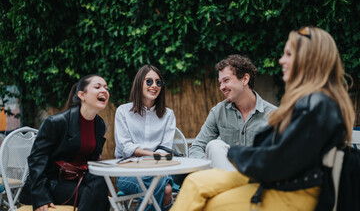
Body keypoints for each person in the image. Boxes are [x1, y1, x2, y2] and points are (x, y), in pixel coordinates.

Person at [170, 26, 355, 210]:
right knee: (197, 180)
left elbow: (279, 159)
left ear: (310, 59)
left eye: (289, 54)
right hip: (279, 182)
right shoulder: (316, 102)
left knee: (204, 196)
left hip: (288, 191)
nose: (281, 60)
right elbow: (286, 154)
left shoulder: (315, 105)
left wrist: (233, 153)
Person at [25, 74, 111, 211]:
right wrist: (41, 196)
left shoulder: (100, 125)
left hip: (79, 180)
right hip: (50, 183)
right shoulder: (56, 122)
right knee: (99, 198)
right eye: (97, 87)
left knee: (99, 182)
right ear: (82, 95)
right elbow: (37, 159)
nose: (104, 90)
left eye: (106, 88)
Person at [189, 54, 277, 171]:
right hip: (226, 176)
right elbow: (196, 147)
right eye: (220, 82)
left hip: (258, 176)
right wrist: (209, 169)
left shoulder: (274, 115)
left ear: (245, 79)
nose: (221, 87)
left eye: (226, 80)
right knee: (214, 146)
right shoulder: (218, 111)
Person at [114, 64, 176, 211]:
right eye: (149, 81)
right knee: (165, 190)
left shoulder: (168, 114)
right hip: (128, 172)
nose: (154, 85)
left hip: (158, 170)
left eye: (158, 82)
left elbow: (165, 148)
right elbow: (126, 147)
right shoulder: (123, 111)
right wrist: (153, 154)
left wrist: (157, 156)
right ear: (139, 83)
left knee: (160, 183)